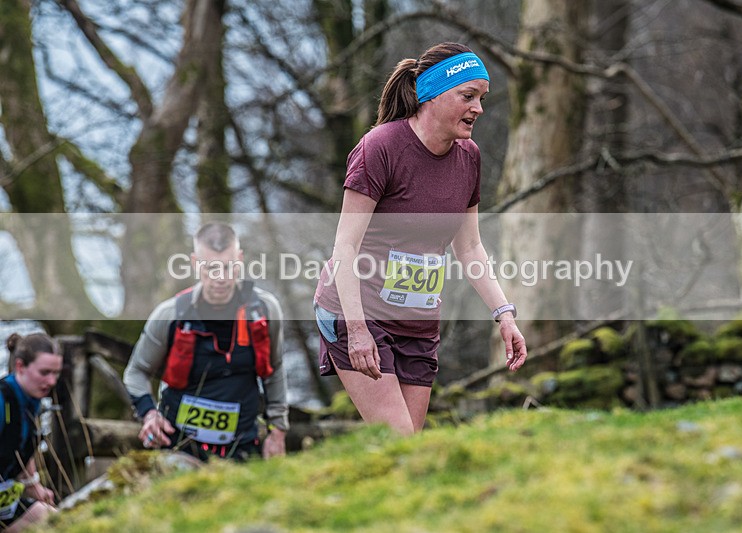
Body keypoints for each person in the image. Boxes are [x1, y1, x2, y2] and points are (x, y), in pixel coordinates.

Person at [314, 42, 528, 435]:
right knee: (399, 439)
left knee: (408, 451)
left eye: (481, 98)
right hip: (356, 310)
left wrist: (505, 314)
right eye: (468, 96)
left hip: (418, 322)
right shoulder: (380, 147)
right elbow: (345, 247)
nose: (478, 108)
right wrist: (358, 331)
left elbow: (469, 247)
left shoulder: (470, 157)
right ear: (432, 93)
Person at [123, 222, 289, 461]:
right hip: (178, 446)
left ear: (240, 260)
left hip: (243, 445)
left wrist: (278, 430)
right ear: (194, 263)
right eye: (210, 268)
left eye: (228, 267)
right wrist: (149, 414)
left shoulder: (264, 309)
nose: (220, 277)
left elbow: (275, 370)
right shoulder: (170, 314)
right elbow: (136, 371)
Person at [0, 333, 60, 532]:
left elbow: (19, 448)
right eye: (44, 372)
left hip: (5, 507)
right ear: (20, 367)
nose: (51, 381)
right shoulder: (2, 402)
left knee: (53, 519)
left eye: (56, 373)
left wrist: (34, 486)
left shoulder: (30, 402)